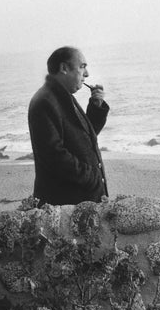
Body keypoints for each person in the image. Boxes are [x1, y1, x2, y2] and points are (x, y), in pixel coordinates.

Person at [28, 46, 109, 206]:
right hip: (67, 203)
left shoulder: (62, 96)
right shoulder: (45, 101)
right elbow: (54, 155)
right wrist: (92, 177)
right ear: (64, 68)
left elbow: (84, 139)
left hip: (79, 200)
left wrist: (96, 107)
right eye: (82, 67)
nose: (87, 74)